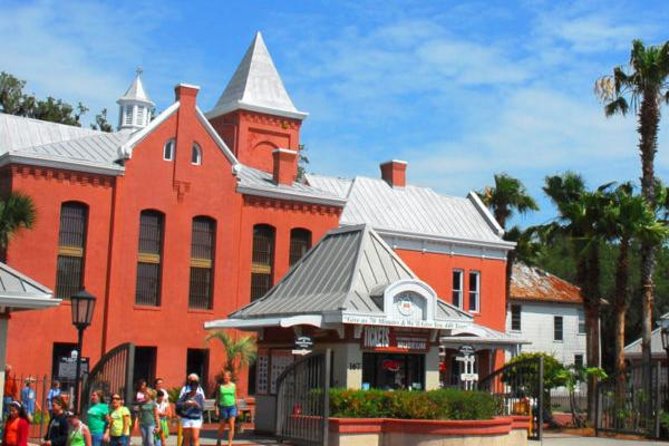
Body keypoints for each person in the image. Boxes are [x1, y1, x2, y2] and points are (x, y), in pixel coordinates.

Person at [176, 374, 204, 446]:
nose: (193, 389)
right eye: (192, 388)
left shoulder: (199, 395)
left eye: (195, 388)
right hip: (186, 418)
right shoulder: (185, 394)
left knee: (195, 438)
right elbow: (178, 404)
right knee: (186, 439)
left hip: (196, 418)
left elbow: (202, 408)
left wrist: (196, 404)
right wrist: (185, 404)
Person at [214, 371, 237, 446]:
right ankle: (219, 439)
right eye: (224, 376)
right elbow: (217, 398)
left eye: (227, 376)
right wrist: (216, 409)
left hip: (232, 407)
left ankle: (229, 443)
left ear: (230, 377)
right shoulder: (220, 386)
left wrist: (237, 408)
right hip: (223, 407)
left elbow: (235, 397)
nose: (225, 378)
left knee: (231, 424)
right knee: (222, 425)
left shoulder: (233, 385)